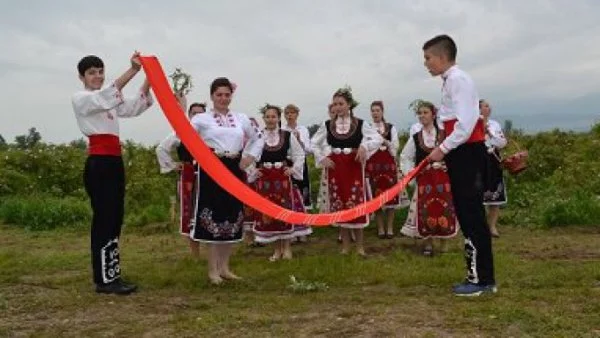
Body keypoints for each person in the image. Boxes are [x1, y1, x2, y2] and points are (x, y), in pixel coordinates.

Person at [71, 52, 153, 295]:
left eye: (100, 71)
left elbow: (133, 106)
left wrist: (150, 78)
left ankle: (111, 273)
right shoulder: (82, 99)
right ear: (82, 77)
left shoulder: (107, 101)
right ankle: (105, 280)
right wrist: (133, 71)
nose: (97, 76)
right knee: (105, 219)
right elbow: (108, 95)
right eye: (91, 73)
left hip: (114, 161)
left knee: (115, 217)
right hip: (99, 163)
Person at [423, 34, 496, 296]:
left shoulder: (458, 80)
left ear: (442, 57)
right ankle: (480, 277)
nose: (426, 63)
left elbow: (465, 125)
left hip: (467, 153)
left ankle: (480, 280)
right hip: (461, 152)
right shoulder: (450, 82)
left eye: (428, 58)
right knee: (468, 214)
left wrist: (442, 150)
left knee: (471, 214)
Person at [190, 77, 263, 285]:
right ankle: (212, 270)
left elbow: (258, 138)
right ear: (212, 96)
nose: (223, 98)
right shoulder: (201, 119)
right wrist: (201, 155)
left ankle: (225, 267)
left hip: (234, 167)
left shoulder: (241, 118)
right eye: (219, 95)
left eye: (227, 95)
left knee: (232, 215)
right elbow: (185, 137)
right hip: (212, 168)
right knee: (215, 213)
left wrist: (249, 157)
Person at [311, 87, 383, 256]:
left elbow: (378, 138)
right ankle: (345, 246)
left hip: (353, 167)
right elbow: (313, 143)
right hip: (335, 169)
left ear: (349, 104)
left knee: (356, 203)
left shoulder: (361, 124)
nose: (337, 107)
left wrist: (365, 146)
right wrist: (322, 158)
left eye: (341, 103)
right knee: (340, 204)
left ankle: (359, 247)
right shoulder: (327, 125)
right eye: (335, 104)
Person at [246, 104, 306, 261]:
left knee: (284, 211)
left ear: (279, 118)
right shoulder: (258, 136)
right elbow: (247, 155)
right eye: (267, 117)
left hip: (282, 178)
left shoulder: (287, 135)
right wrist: (253, 171)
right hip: (265, 180)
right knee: (270, 213)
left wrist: (293, 169)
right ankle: (277, 250)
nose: (270, 119)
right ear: (264, 119)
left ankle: (287, 248)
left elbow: (299, 154)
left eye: (273, 116)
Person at [399, 100, 458, 255]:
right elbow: (405, 156)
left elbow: (454, 153)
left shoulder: (444, 135)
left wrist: (450, 167)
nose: (422, 116)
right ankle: (428, 244)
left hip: (442, 178)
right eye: (419, 113)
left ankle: (444, 243)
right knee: (425, 209)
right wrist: (411, 174)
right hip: (424, 179)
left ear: (433, 114)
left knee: (444, 208)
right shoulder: (416, 137)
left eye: (425, 112)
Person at [156, 97, 206, 257]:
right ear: (190, 115)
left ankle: (214, 252)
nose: (197, 117)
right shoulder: (180, 132)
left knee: (209, 208)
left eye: (200, 114)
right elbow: (161, 149)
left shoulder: (211, 132)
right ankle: (195, 253)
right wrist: (173, 165)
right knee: (190, 211)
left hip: (208, 174)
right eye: (194, 113)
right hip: (190, 174)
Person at [365, 100, 408, 239]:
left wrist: (385, 141)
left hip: (388, 166)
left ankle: (389, 228)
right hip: (373, 166)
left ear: (382, 112)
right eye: (373, 111)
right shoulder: (368, 128)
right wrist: (375, 143)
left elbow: (395, 147)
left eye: (377, 110)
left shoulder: (391, 127)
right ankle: (380, 228)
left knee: (391, 197)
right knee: (376, 197)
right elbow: (365, 146)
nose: (375, 113)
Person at [282, 104, 313, 242]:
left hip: (300, 163)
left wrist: (299, 139)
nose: (289, 115)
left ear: (297, 114)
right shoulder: (282, 130)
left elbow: (308, 149)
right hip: (287, 163)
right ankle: (292, 229)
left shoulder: (303, 129)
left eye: (292, 113)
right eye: (287, 113)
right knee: (289, 194)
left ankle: (303, 229)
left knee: (302, 194)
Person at [479, 99, 507, 238]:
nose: (488, 108)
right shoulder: (472, 124)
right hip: (478, 160)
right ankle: (481, 226)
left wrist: (490, 133)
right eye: (485, 106)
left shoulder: (495, 124)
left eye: (489, 106)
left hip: (493, 160)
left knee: (495, 196)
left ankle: (492, 226)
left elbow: (502, 143)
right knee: (479, 195)